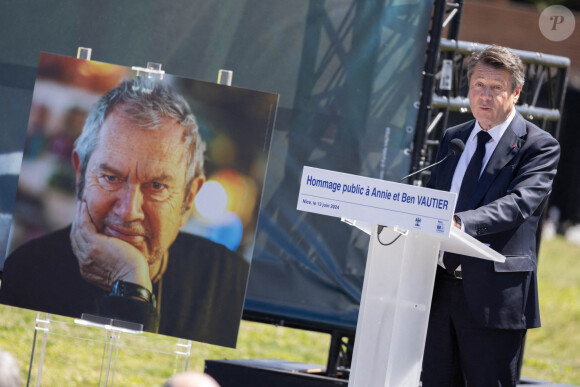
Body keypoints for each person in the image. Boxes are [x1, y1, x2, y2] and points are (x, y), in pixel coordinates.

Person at [0, 77, 249, 348]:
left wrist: (131, 283)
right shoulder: (26, 270)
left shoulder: (233, 283)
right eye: (110, 177)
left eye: (156, 186)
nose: (129, 211)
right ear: (80, 174)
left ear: (189, 199)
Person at [422, 45, 560, 386]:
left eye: (495, 87)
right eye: (478, 85)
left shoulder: (538, 146)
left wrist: (461, 223)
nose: (484, 95)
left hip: (494, 297)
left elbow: (519, 203)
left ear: (515, 92)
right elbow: (433, 197)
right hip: (438, 292)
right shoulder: (453, 138)